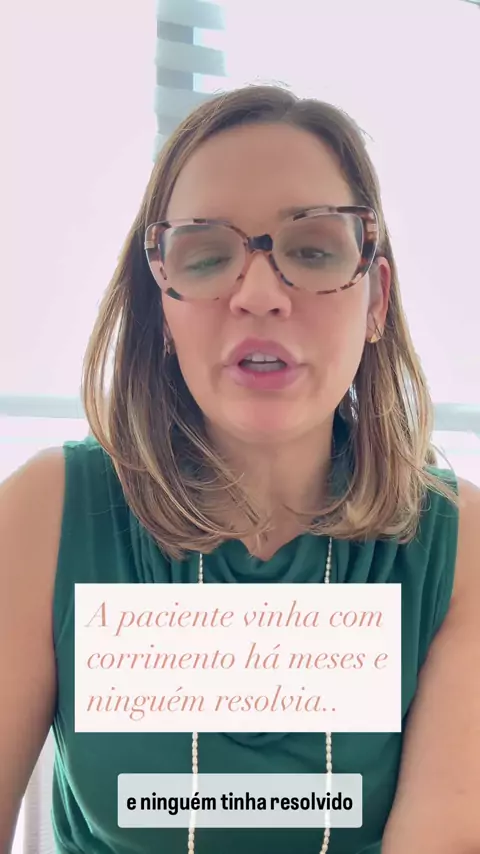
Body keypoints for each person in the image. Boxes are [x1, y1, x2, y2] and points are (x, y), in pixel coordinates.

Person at [1, 83, 479, 854]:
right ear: (160, 307)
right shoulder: (42, 516)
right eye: (206, 255)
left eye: (313, 250)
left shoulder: (461, 549)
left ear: (376, 300)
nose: (259, 295)